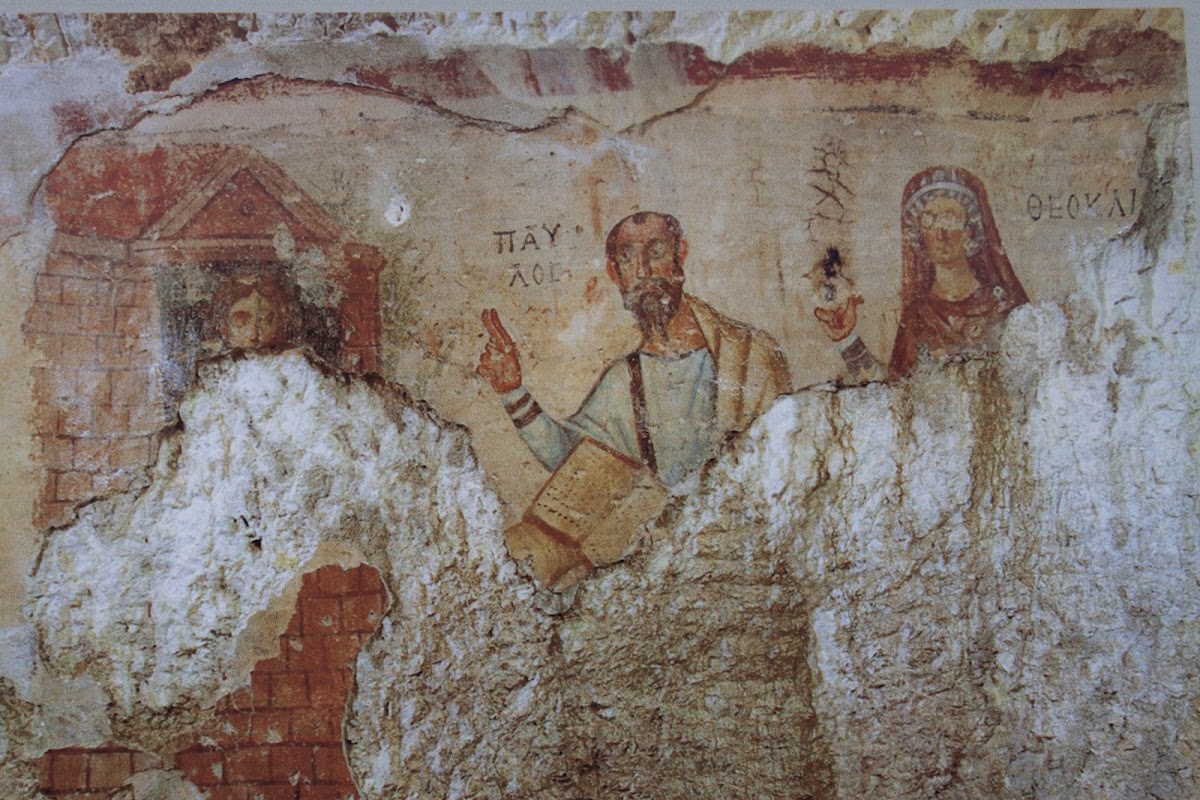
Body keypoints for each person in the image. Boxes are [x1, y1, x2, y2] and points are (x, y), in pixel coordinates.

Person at [478, 211, 791, 488]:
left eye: (656, 252)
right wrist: (512, 392)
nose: (643, 271)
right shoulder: (624, 381)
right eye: (628, 258)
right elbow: (574, 462)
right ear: (616, 275)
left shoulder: (751, 357)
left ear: (679, 255)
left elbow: (782, 463)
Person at [815, 166, 1029, 379]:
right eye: (930, 220)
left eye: (950, 218)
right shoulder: (919, 319)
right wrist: (847, 340)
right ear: (920, 235)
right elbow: (896, 395)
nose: (940, 234)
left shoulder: (1003, 307)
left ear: (968, 231)